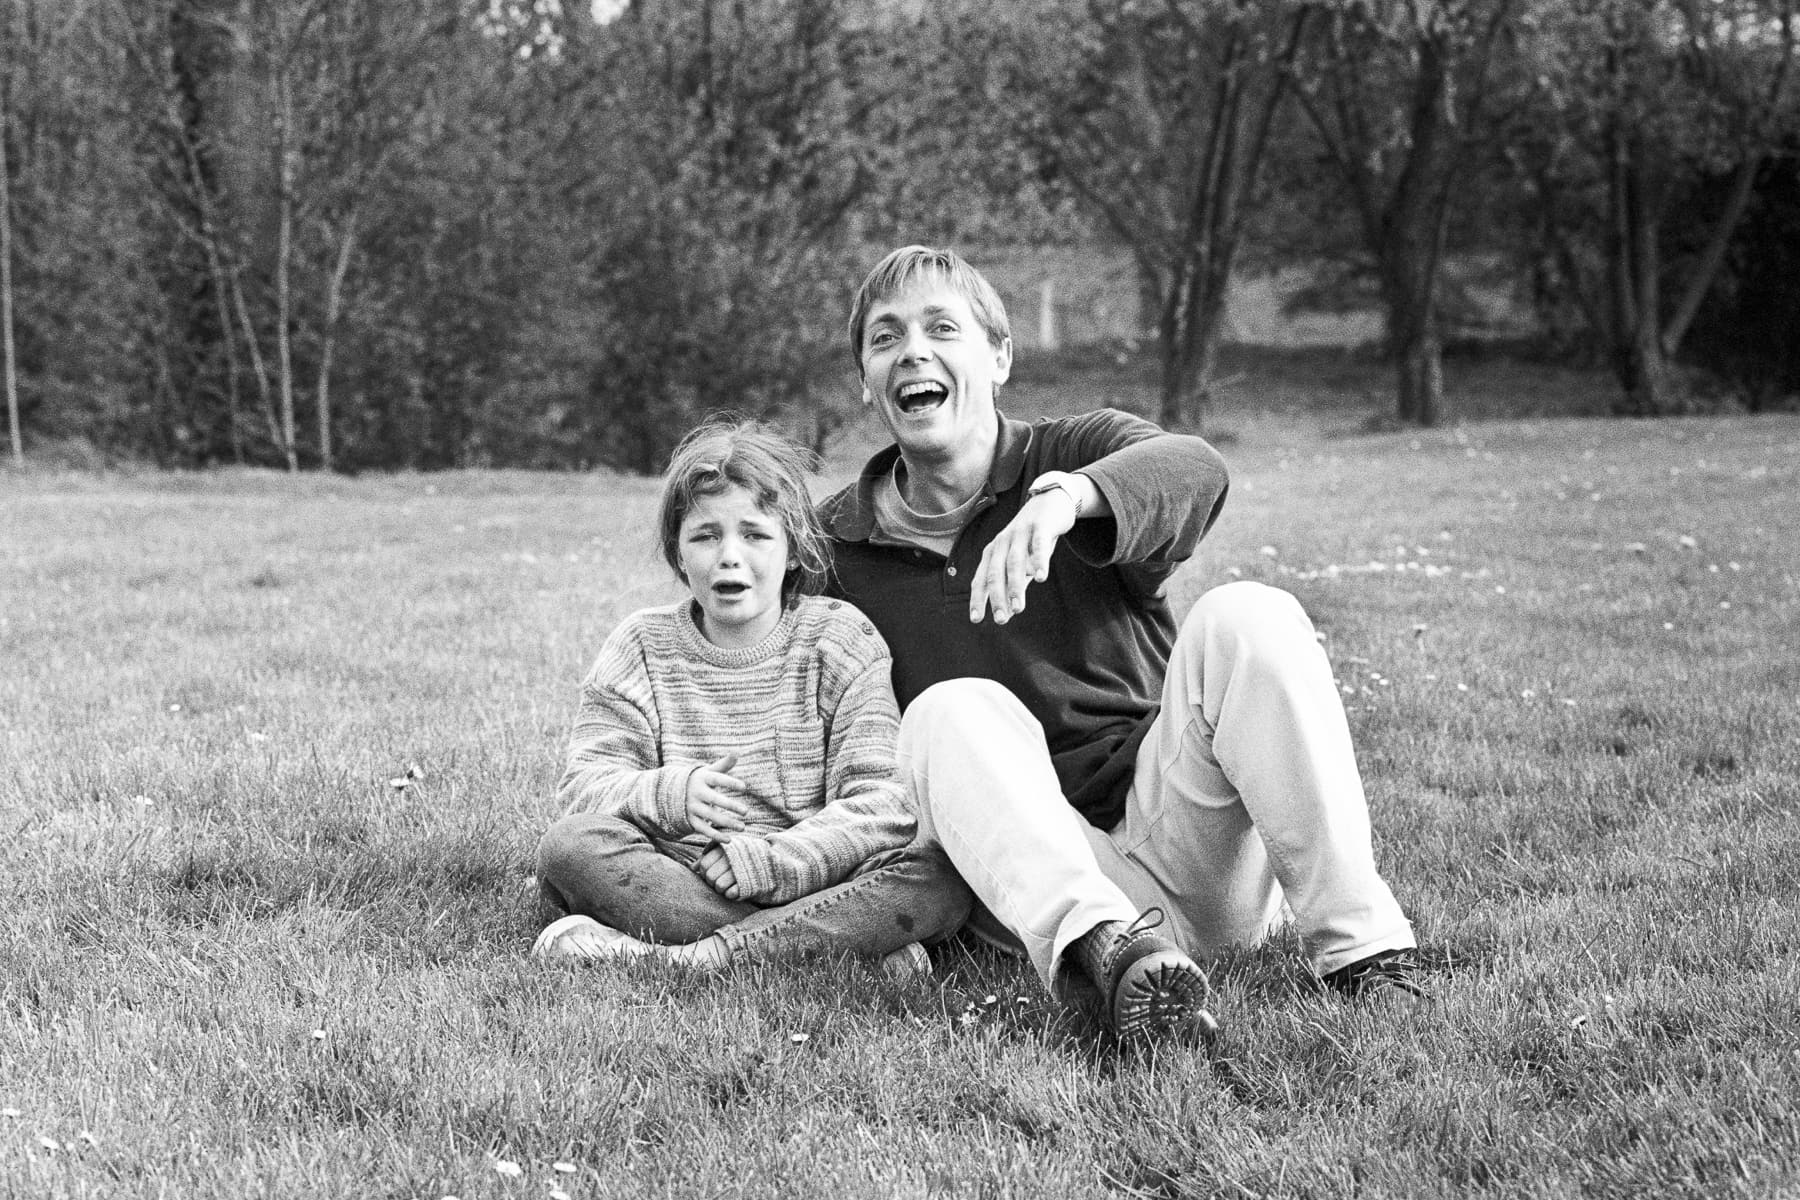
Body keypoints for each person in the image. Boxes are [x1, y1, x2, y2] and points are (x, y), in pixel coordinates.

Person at [819, 245, 1422, 1043]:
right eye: (886, 337)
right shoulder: (832, 551)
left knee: (1249, 614)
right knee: (946, 712)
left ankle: (1365, 955)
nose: (914, 352)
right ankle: (1108, 958)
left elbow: (1196, 469)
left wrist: (1068, 499)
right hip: (1027, 884)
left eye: (942, 327)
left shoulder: (1074, 452)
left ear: (999, 357)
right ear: (867, 377)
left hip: (1183, 838)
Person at [532, 419, 971, 975]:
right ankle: (841, 946)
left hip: (819, 874)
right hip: (689, 876)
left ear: (792, 552)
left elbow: (884, 804)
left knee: (940, 878)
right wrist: (670, 794)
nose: (729, 556)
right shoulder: (640, 646)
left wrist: (773, 862)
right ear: (678, 554)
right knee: (570, 849)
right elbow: (583, 789)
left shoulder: (840, 640)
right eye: (706, 535)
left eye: (755, 534)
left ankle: (691, 959)